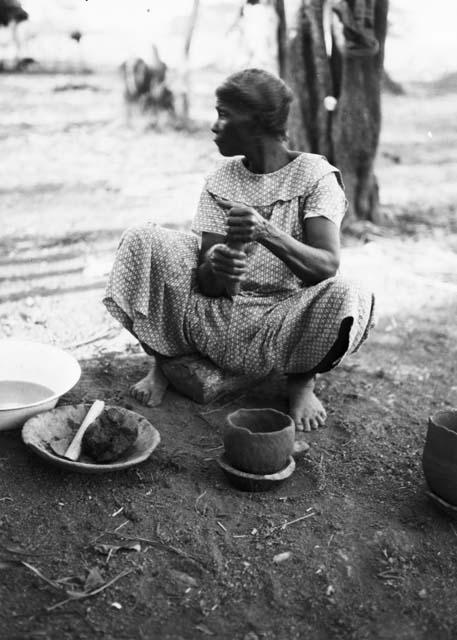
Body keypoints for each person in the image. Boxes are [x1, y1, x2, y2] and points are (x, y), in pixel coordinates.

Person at [103, 68, 375, 432]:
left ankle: (300, 382)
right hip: (217, 315)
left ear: (257, 123)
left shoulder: (315, 176)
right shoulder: (221, 179)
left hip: (283, 320)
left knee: (350, 292)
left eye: (224, 114)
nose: (215, 126)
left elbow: (326, 266)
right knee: (143, 238)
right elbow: (208, 285)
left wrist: (266, 232)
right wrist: (218, 266)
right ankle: (162, 363)